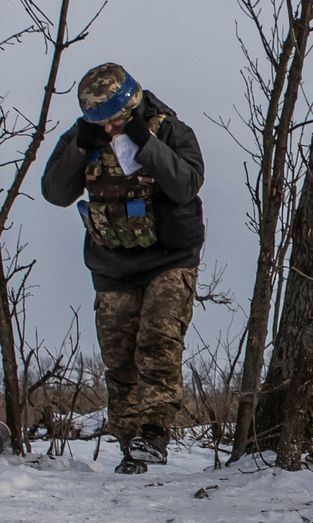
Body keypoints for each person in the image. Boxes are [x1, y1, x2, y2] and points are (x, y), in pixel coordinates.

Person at [41, 63, 205, 475]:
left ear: (131, 106)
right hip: (111, 263)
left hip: (168, 258)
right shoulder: (87, 137)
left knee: (158, 343)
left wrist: (142, 141)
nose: (110, 128)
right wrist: (80, 145)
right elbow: (55, 192)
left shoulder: (169, 130)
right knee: (119, 361)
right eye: (102, 122)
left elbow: (186, 183)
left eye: (116, 120)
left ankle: (154, 433)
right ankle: (131, 444)